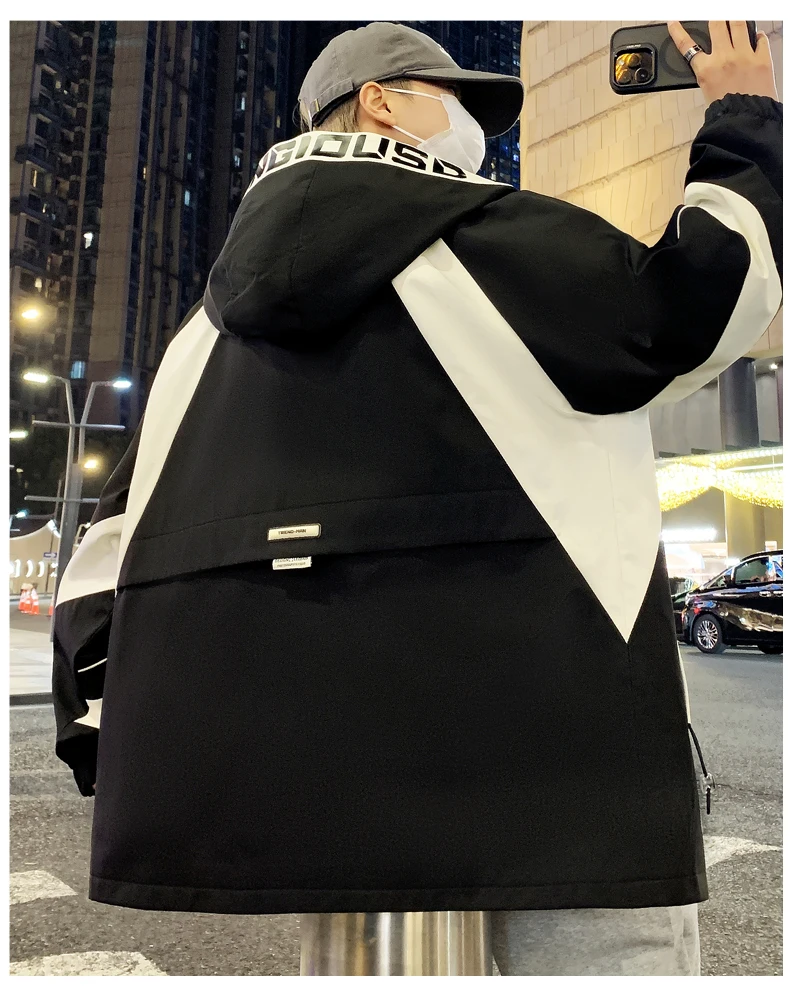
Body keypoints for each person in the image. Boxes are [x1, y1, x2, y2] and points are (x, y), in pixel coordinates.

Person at [51, 20, 781, 976]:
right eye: (456, 100)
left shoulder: (203, 336)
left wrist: (105, 743)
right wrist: (744, 117)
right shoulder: (492, 242)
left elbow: (104, 557)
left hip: (323, 812)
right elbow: (706, 306)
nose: (474, 127)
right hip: (555, 774)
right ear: (381, 102)